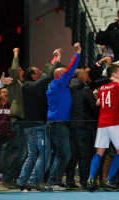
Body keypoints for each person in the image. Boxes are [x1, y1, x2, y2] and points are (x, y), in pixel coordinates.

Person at [16, 48, 62, 190]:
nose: (40, 72)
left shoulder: (31, 86)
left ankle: (21, 181)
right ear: (32, 76)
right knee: (44, 152)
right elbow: (47, 77)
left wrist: (54, 60)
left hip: (33, 126)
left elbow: (46, 76)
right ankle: (33, 180)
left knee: (32, 155)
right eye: (37, 72)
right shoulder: (29, 86)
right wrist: (58, 58)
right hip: (36, 127)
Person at [46, 43, 81, 189]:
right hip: (58, 124)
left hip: (56, 124)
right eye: (65, 73)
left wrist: (57, 57)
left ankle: (54, 181)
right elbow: (72, 68)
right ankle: (53, 181)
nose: (69, 75)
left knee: (60, 154)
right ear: (59, 76)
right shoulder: (59, 84)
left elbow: (56, 70)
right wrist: (77, 53)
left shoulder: (54, 84)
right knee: (65, 154)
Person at [87, 65, 119, 192]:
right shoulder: (118, 85)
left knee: (99, 152)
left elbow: (98, 102)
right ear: (114, 75)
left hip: (102, 123)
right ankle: (109, 181)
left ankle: (90, 179)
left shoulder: (102, 87)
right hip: (114, 122)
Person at [66, 68, 98, 190]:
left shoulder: (68, 89)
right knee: (85, 155)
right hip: (84, 126)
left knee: (73, 155)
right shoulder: (85, 89)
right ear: (80, 76)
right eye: (85, 74)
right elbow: (94, 107)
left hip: (71, 125)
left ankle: (70, 180)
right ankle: (84, 182)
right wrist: (96, 98)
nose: (86, 76)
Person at [1, 48, 26, 188]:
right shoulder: (13, 82)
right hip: (18, 121)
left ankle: (11, 177)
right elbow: (15, 71)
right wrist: (16, 54)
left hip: (21, 121)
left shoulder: (20, 84)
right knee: (21, 152)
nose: (22, 72)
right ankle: (8, 177)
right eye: (21, 71)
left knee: (22, 151)